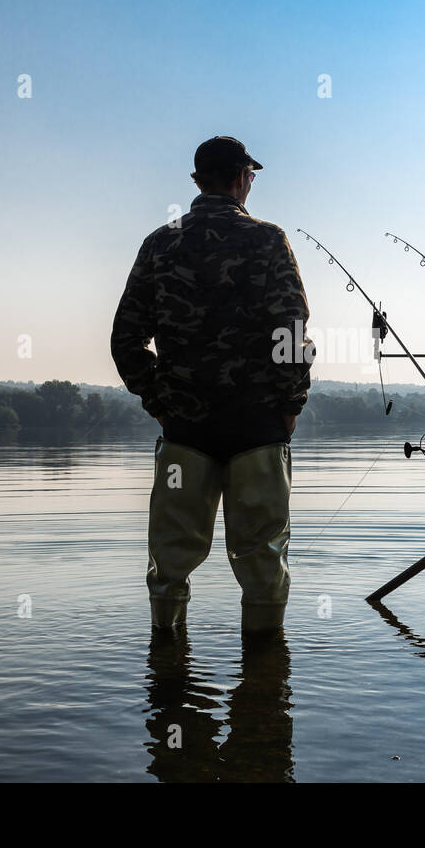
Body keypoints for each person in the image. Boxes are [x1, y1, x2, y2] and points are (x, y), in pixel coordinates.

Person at [111, 136, 312, 632]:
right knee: (263, 563)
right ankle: (264, 680)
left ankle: (167, 672)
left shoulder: (160, 242)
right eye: (251, 176)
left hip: (185, 434)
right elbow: (290, 332)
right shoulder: (268, 239)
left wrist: (161, 403)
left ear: (198, 180)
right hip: (258, 431)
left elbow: (125, 339)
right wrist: (289, 407)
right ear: (243, 178)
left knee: (170, 565)